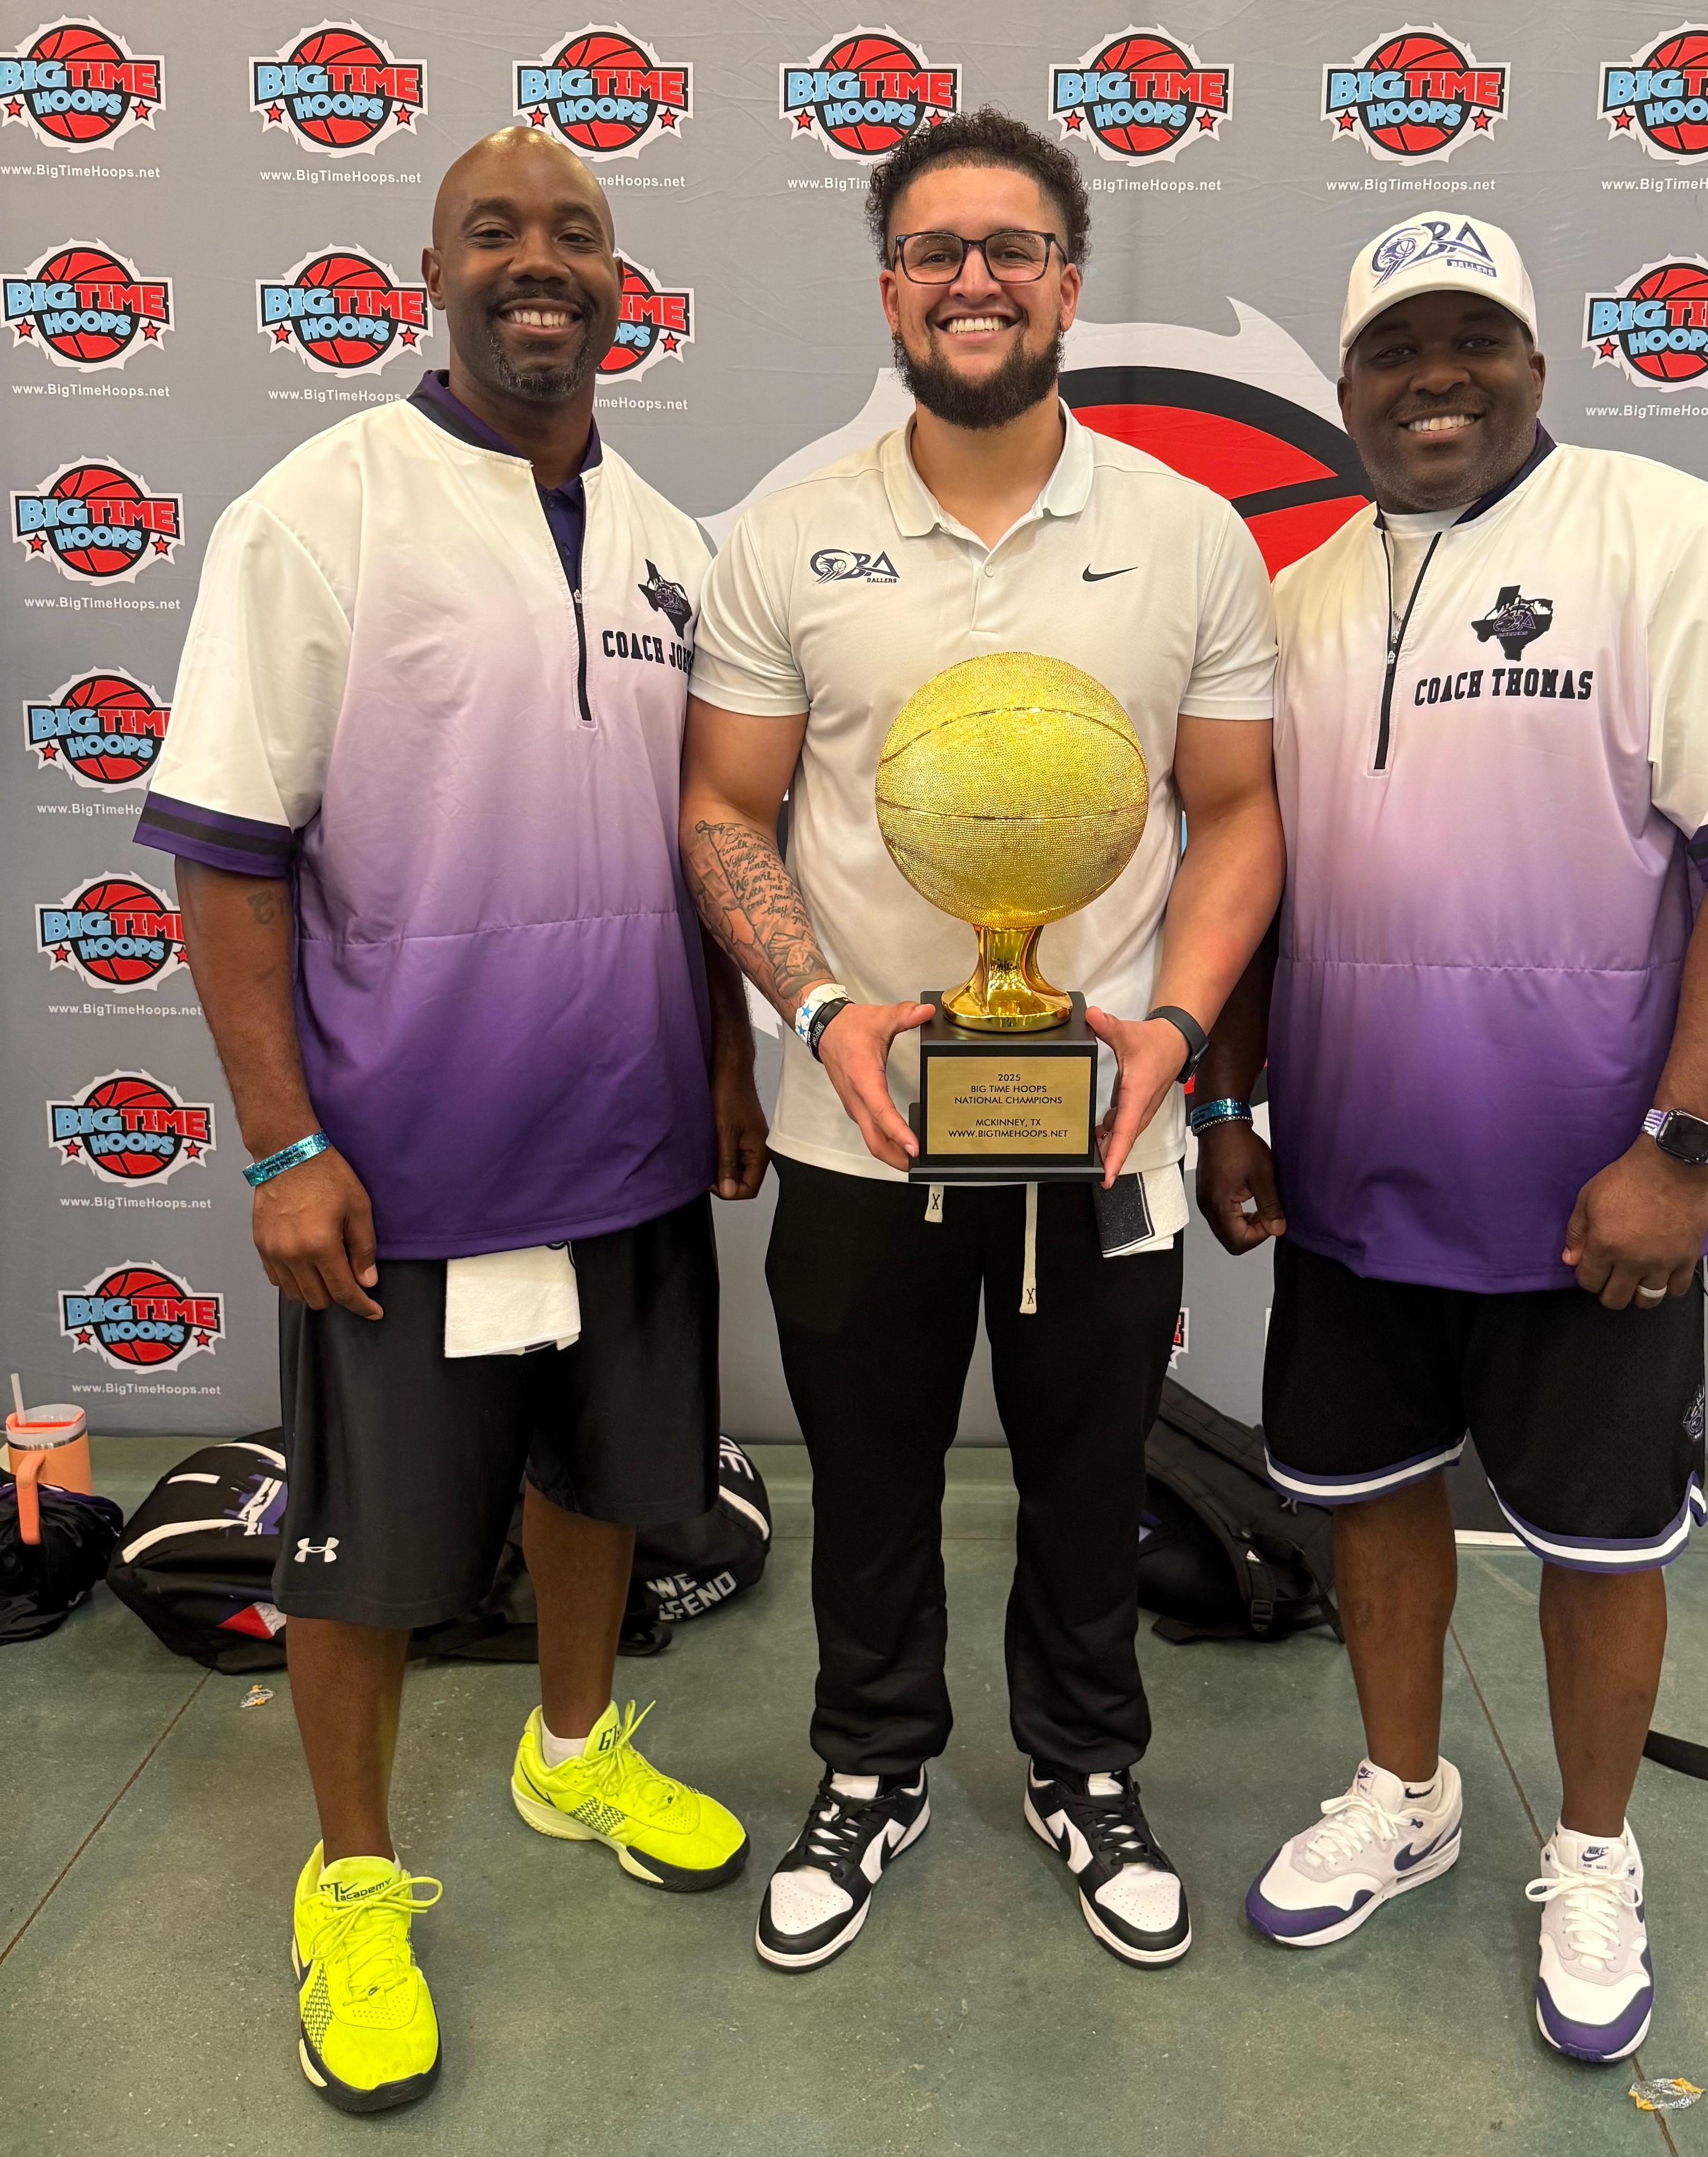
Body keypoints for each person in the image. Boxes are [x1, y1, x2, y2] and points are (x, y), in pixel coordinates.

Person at [1195, 210, 1708, 2063]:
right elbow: (1256, 877)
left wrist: (1678, 1141)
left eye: (1473, 340)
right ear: (1343, 390)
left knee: (1600, 1539)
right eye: (1398, 349)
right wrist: (1238, 1100)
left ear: (1537, 362)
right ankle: (1405, 1791)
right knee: (1375, 1496)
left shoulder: (1675, 539)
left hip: (1595, 1191)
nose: (1436, 377)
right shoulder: (1304, 587)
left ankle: (1590, 1847)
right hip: (1354, 1174)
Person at [136, 129, 765, 2115]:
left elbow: (702, 841)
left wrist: (733, 1058)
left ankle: (572, 1750)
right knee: (368, 1550)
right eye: (497, 232)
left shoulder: (676, 538)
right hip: (404, 1167)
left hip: (636, 1143)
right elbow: (232, 862)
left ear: (619, 280)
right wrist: (275, 1140)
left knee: (597, 1477)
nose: (541, 263)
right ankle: (348, 1878)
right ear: (432, 272)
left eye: (577, 233)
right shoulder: (319, 510)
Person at [682, 109, 1281, 1973]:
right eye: (937, 249)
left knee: (1091, 1474)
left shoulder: (1190, 536)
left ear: (1070, 283)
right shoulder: (790, 536)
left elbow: (1242, 812)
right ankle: (870, 1761)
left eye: (1012, 247)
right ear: (888, 287)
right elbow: (722, 807)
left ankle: (1085, 1762)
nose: (974, 279)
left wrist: (1176, 1031)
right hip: (865, 1124)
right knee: (867, 1475)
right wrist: (832, 1013)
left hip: (1106, 1126)